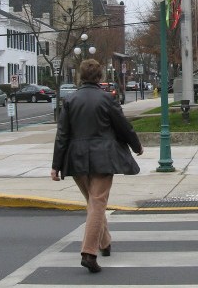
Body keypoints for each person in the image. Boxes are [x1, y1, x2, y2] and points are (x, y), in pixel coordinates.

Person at [51, 59, 143, 273]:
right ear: (100, 77)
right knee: (98, 202)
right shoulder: (107, 99)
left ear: (80, 77)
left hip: (76, 159)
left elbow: (61, 135)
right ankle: (89, 252)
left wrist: (56, 165)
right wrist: (136, 145)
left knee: (93, 203)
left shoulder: (70, 100)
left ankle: (105, 242)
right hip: (103, 157)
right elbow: (123, 126)